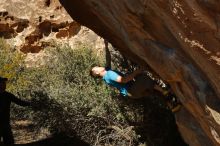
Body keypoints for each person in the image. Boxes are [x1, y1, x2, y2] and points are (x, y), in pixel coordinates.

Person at [90, 40, 181, 111]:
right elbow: (123, 80)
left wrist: (106, 46)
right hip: (131, 90)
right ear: (97, 73)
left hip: (132, 91)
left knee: (152, 89)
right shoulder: (109, 74)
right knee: (143, 78)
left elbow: (108, 59)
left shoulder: (106, 73)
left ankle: (172, 106)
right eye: (96, 68)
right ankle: (166, 92)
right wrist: (137, 72)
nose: (98, 66)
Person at [0, 77, 31, 146]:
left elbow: (20, 102)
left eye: (4, 83)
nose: (4, 84)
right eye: (2, 83)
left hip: (5, 124)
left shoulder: (8, 95)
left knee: (9, 142)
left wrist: (31, 103)